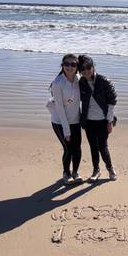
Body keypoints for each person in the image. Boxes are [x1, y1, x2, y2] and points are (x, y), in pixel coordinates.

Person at [78, 55, 117, 182]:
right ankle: (96, 170)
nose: (86, 71)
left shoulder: (104, 81)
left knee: (102, 146)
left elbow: (112, 101)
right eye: (83, 69)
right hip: (88, 121)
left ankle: (110, 168)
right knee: (92, 147)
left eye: (88, 68)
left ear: (93, 67)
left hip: (103, 121)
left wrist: (110, 121)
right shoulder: (81, 83)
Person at [46, 53, 83, 185]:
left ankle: (75, 172)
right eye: (66, 64)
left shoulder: (79, 79)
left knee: (77, 149)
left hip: (75, 121)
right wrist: (66, 131)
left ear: (77, 66)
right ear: (62, 65)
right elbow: (60, 109)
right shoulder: (58, 83)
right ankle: (66, 173)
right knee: (68, 149)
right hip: (59, 122)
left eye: (73, 64)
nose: (70, 67)